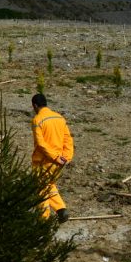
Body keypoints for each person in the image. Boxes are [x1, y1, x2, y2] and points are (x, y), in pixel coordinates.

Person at [30, 93, 74, 223]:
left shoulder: (37, 120)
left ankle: (43, 219)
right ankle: (61, 210)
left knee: (41, 189)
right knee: (49, 185)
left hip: (44, 161)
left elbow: (41, 144)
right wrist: (66, 157)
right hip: (59, 162)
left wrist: (54, 157)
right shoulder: (59, 118)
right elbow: (68, 139)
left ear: (35, 106)